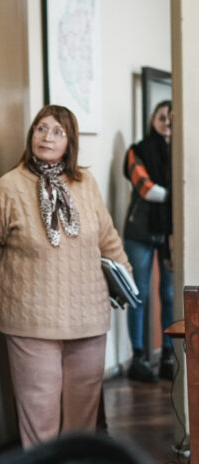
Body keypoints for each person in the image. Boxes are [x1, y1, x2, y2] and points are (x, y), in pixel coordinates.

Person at [0, 105, 131, 448]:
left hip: (88, 318)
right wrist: (21, 278)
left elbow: (108, 239)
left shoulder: (85, 182)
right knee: (40, 420)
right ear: (31, 134)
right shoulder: (9, 186)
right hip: (31, 320)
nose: (47, 137)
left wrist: (128, 282)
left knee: (82, 423)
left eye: (58, 131)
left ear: (70, 141)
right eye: (41, 128)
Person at [123, 100, 174, 382]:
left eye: (171, 118)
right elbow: (145, 188)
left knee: (170, 295)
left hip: (170, 232)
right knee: (138, 294)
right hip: (140, 232)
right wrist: (177, 194)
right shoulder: (137, 150)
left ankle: (168, 355)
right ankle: (139, 356)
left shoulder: (181, 151)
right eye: (162, 117)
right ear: (153, 119)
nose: (167, 123)